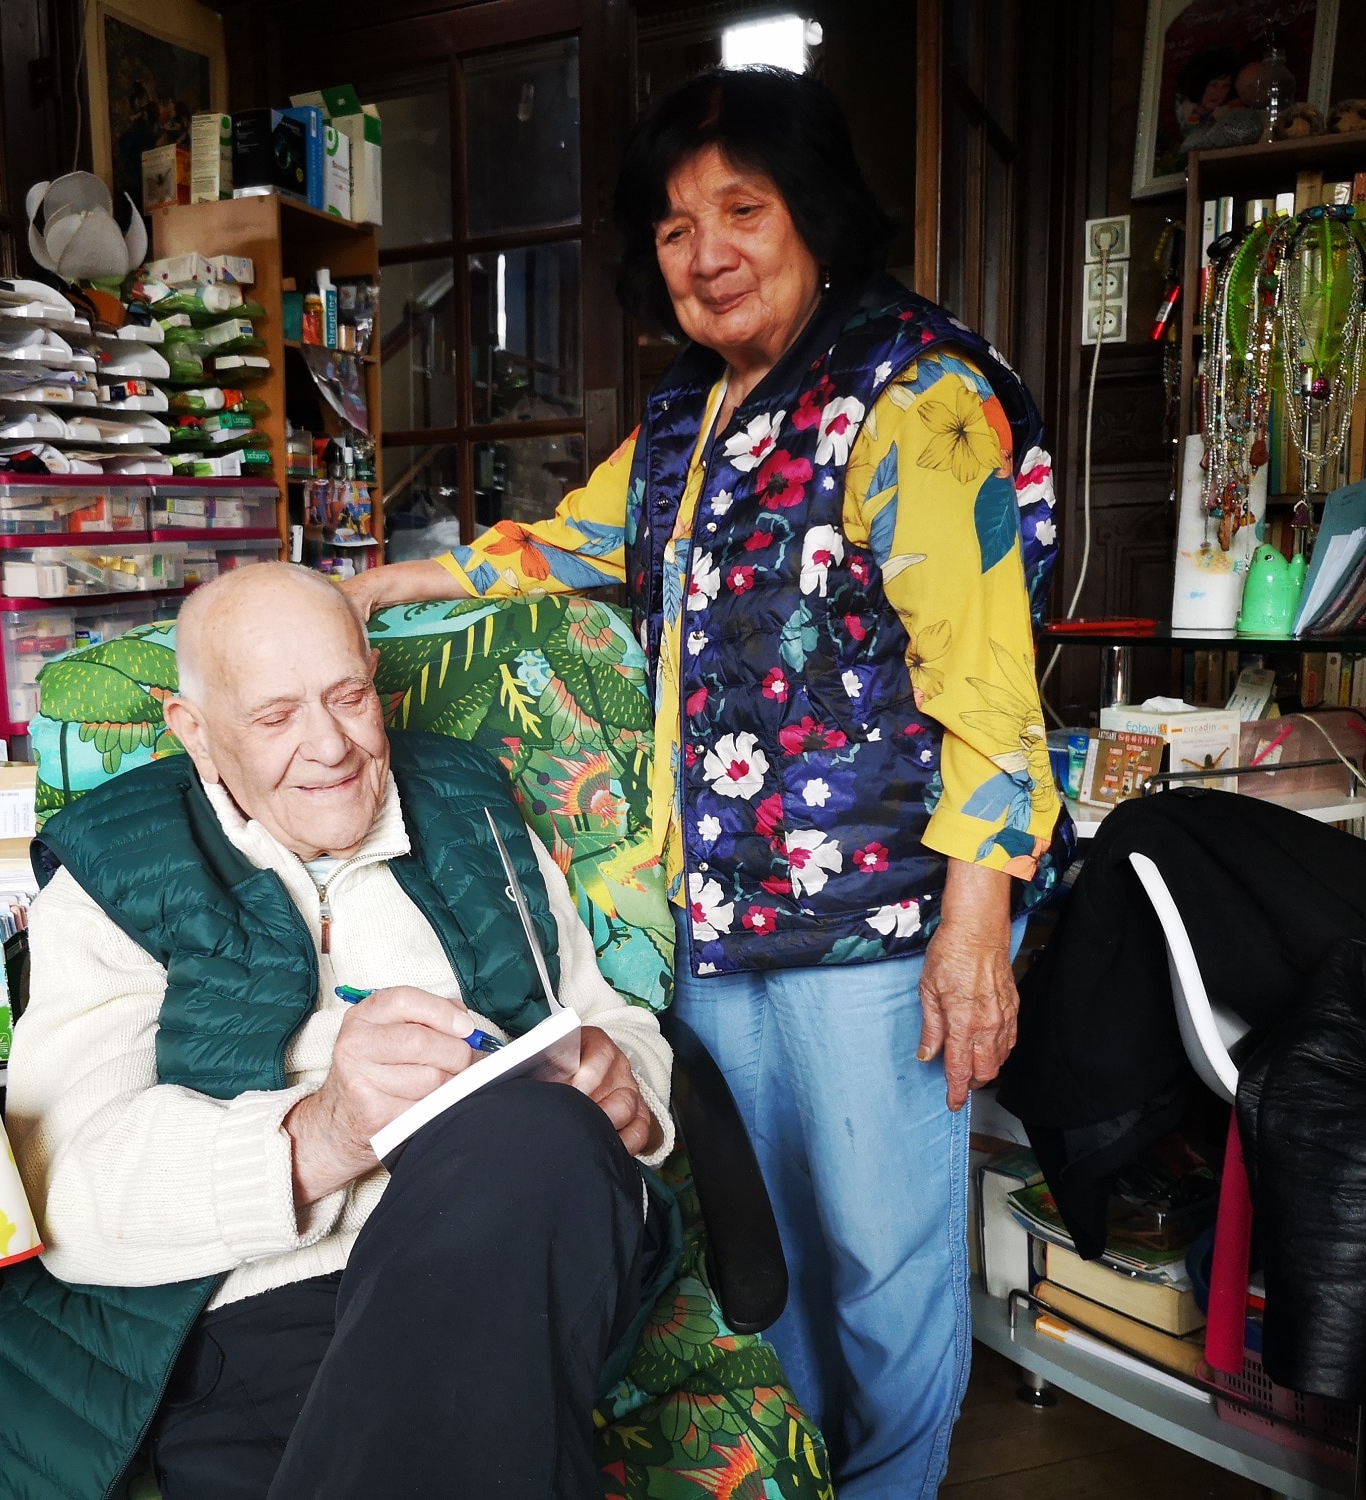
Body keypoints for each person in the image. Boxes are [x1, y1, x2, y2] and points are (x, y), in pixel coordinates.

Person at [344, 66, 1070, 1500]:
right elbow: (568, 543)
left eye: (742, 209)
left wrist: (976, 928)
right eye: (676, 228)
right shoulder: (692, 412)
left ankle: (893, 1488)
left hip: (880, 931)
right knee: (767, 1252)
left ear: (815, 217)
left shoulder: (913, 396)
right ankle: (807, 1480)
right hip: (720, 925)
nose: (708, 252)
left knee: (883, 1256)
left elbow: (989, 688)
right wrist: (379, 587)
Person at [0, 562, 680, 1500]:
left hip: (506, 1268)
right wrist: (324, 1131)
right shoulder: (116, 871)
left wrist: (625, 1088)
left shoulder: (472, 812)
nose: (330, 747)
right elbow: (64, 1195)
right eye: (275, 718)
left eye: (349, 697)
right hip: (255, 1319)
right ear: (196, 733)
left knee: (540, 1135)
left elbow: (607, 1020)